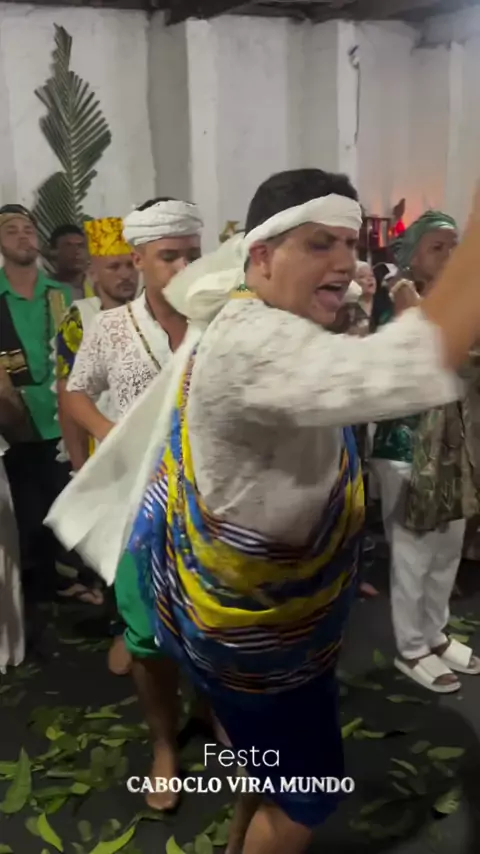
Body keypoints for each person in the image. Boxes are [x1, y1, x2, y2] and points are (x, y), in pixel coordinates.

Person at [47, 169, 480, 854]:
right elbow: (406, 369)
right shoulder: (249, 341)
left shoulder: (260, 318)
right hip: (256, 638)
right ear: (261, 256)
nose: (343, 261)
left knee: (270, 767)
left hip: (280, 623)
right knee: (308, 797)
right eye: (318, 244)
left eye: (349, 243)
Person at [63, 197, 204, 809]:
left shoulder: (220, 322)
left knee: (215, 627)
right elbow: (75, 393)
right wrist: (109, 434)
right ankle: (165, 745)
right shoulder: (112, 328)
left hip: (212, 507)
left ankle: (215, 715)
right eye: (169, 255)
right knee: (146, 637)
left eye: (193, 254)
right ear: (139, 259)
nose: (183, 267)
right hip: (139, 507)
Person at [370, 210, 480, 695]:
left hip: (454, 447)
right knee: (413, 554)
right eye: (438, 247)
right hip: (405, 446)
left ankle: (435, 633)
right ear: (411, 257)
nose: (450, 256)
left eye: (455, 246)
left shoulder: (457, 307)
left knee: (447, 548)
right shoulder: (394, 307)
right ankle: (411, 646)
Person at [54, 217, 138, 605]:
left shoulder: (154, 312)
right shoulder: (80, 318)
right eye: (114, 266)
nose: (125, 275)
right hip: (101, 449)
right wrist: (79, 467)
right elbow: (68, 395)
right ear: (92, 272)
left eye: (130, 264)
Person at [0, 204, 75, 602]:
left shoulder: (62, 295)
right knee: (25, 519)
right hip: (12, 422)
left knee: (63, 511)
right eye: (11, 230)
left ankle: (65, 586)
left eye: (28, 229)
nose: (22, 236)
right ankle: (35, 596)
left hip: (62, 419)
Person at [49, 224, 94, 301]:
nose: (77, 251)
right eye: (68, 246)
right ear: (54, 252)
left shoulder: (101, 290)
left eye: (81, 246)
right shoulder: (41, 290)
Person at [333, 259, 376, 336]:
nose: (370, 279)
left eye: (372, 275)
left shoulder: (385, 303)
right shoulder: (345, 310)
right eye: (362, 277)